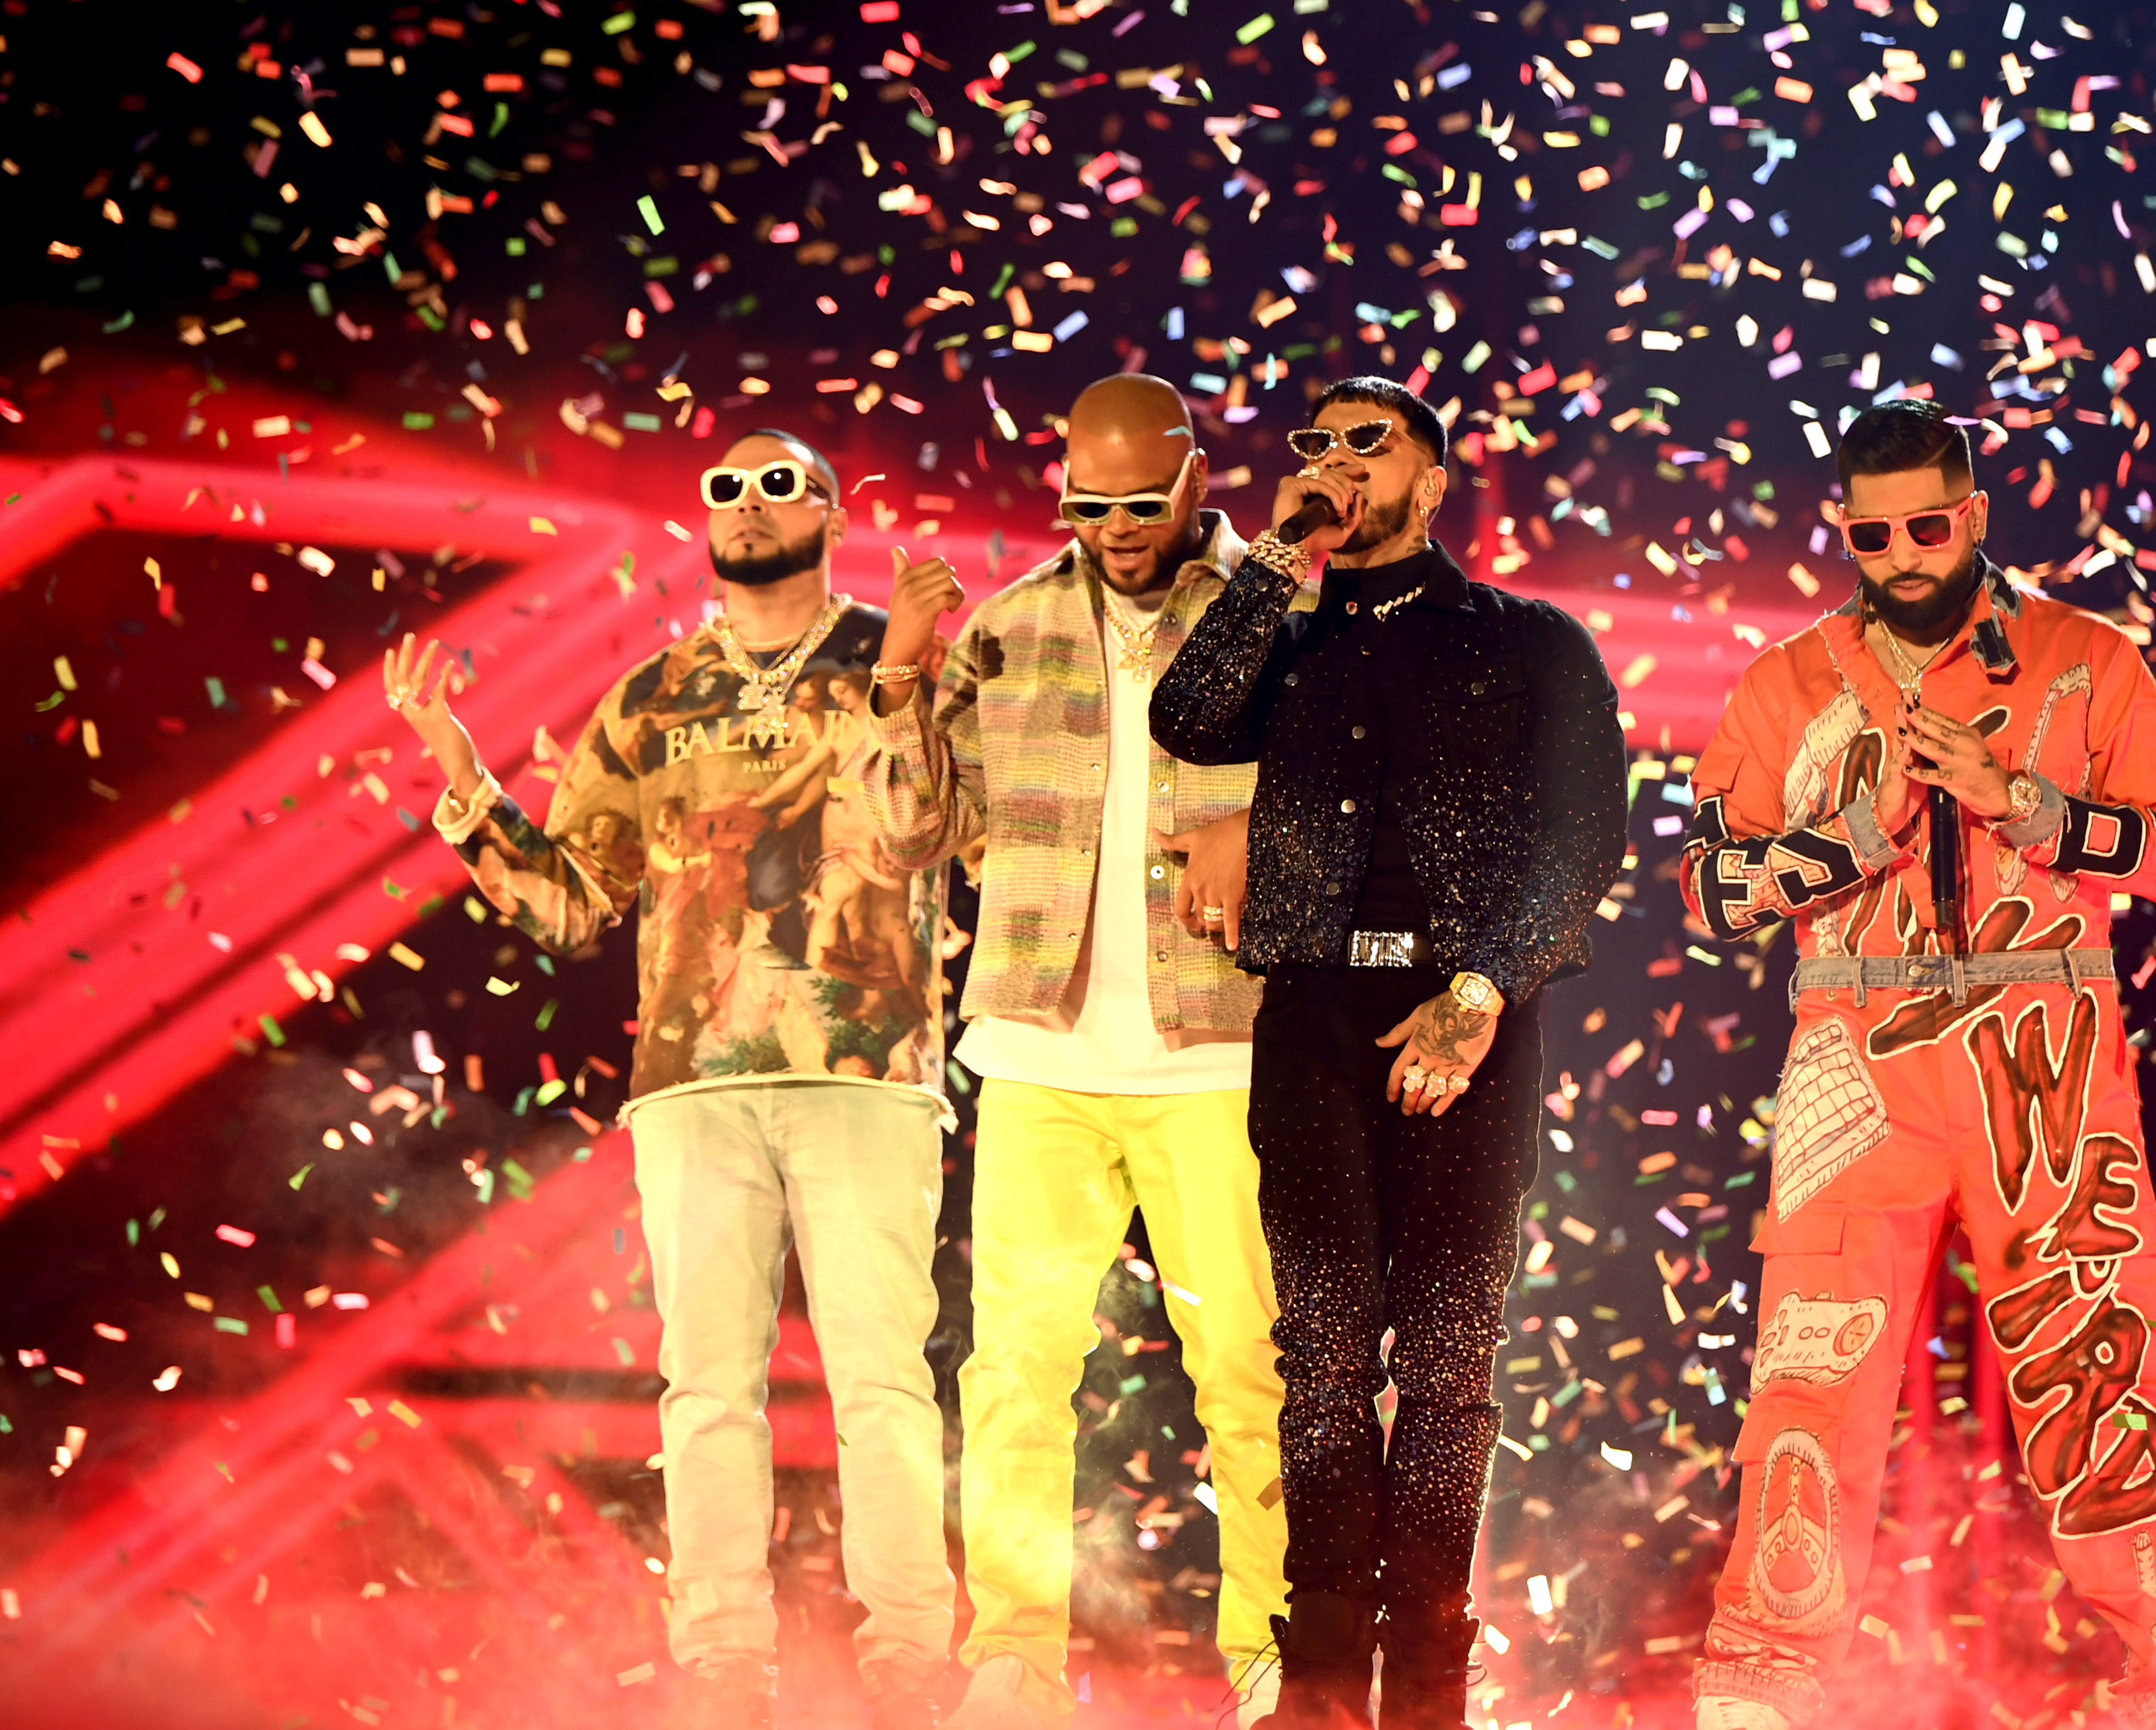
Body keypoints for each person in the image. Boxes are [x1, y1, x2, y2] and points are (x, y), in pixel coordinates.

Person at [1675, 399, 2156, 1730]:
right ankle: (1766, 1665)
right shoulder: (1787, 681)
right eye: (1874, 534)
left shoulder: (2086, 659)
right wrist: (1842, 848)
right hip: (1853, 1062)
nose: (1905, 553)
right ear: (1847, 532)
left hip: (2042, 1045)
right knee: (1813, 1360)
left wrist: (2026, 809)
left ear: (1976, 514)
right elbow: (1706, 892)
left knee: (2098, 1343)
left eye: (1931, 524)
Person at [384, 430, 955, 1730]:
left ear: (828, 509)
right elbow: (576, 908)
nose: (748, 507)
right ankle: (722, 1665)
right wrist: (467, 785)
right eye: (726, 489)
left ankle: (913, 1659)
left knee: (882, 1383)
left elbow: (929, 830)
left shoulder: (898, 654)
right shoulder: (650, 695)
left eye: (777, 484)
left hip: (865, 1071)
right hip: (692, 1082)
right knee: (707, 1387)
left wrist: (911, 676)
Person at [1152, 378, 1627, 1730]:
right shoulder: (1285, 640)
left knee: (1451, 1361)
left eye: (1371, 443)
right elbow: (1189, 719)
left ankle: (1426, 1677)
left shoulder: (1530, 643)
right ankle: (1316, 1684)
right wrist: (1274, 555)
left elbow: (1585, 840)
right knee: (1318, 1357)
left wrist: (1477, 992)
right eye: (1317, 444)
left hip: (1471, 1017)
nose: (1338, 463)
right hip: (1308, 1020)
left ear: (1433, 480)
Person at [854, 374, 1291, 1730]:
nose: (1111, 530)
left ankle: (1269, 1650)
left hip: (1219, 1047)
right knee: (1017, 1372)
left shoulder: (1270, 618)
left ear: (1194, 481)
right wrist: (901, 675)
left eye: (1136, 505)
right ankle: (1016, 1655)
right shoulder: (1009, 625)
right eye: (1086, 507)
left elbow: (1344, 808)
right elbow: (912, 839)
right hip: (1040, 1049)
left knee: (1251, 1370)